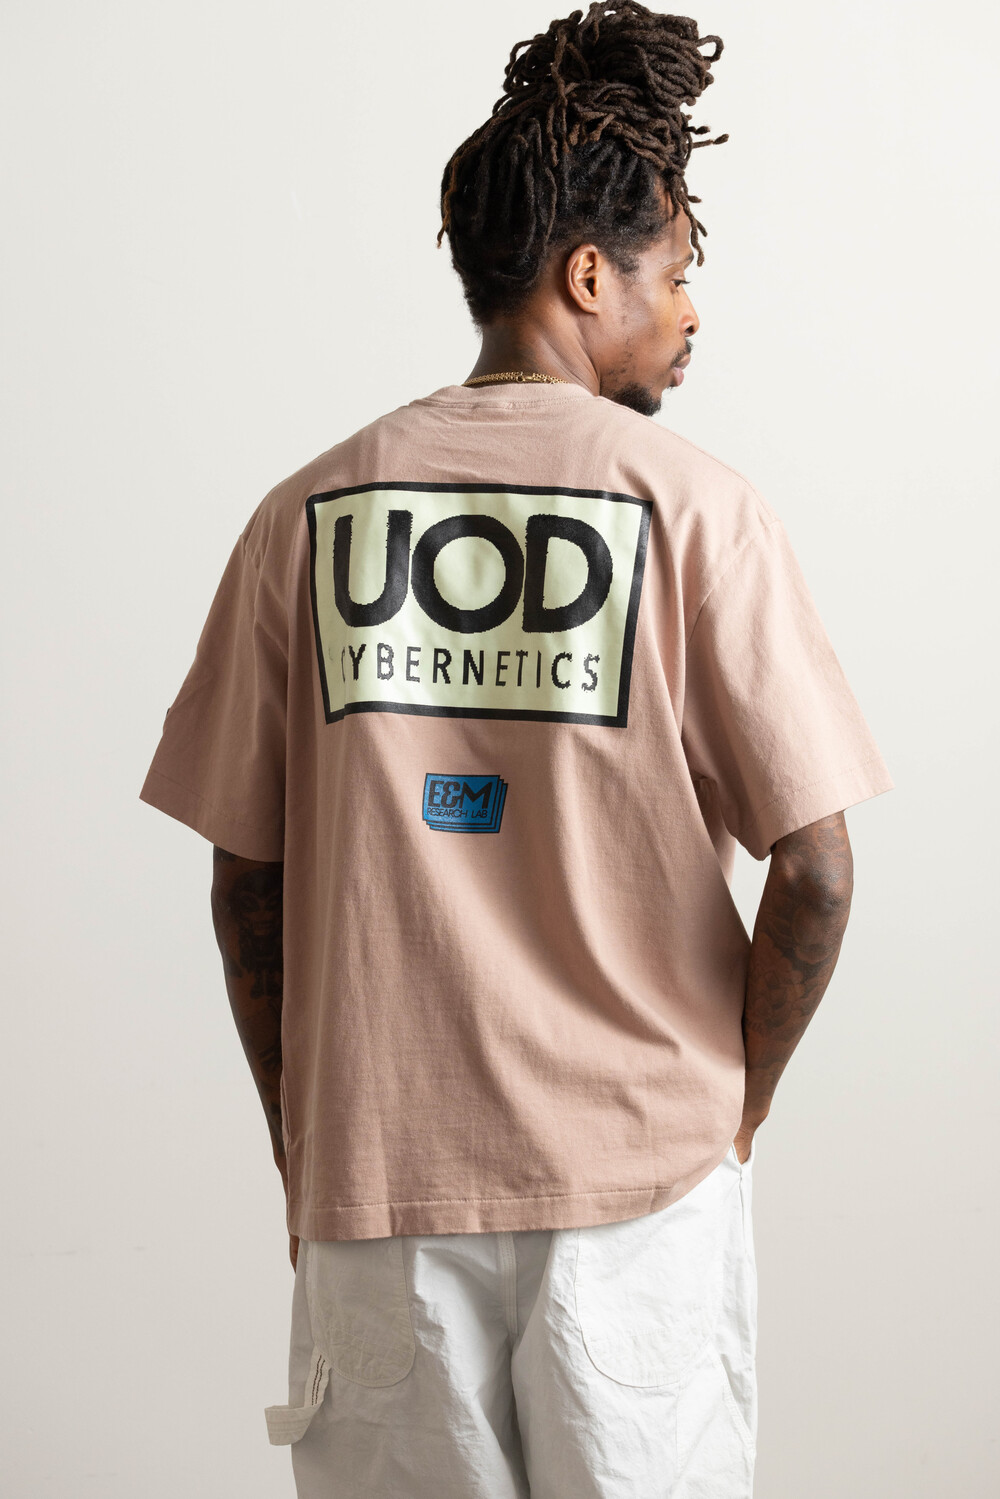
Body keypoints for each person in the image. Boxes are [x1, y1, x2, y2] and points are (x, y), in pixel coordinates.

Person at [138, 4, 893, 1494]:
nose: (691, 313)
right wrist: (737, 1107)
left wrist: (305, 1140)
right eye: (677, 273)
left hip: (381, 1191)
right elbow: (815, 869)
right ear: (588, 274)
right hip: (640, 1186)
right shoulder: (698, 509)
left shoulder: (307, 512)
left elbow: (244, 884)